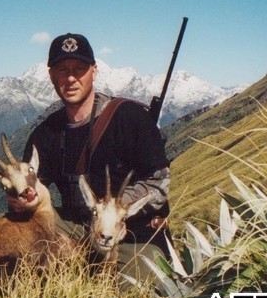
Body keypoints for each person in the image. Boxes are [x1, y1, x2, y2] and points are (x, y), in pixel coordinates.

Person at [22, 32, 171, 283]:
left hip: (132, 231)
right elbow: (33, 187)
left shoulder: (130, 118)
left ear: (94, 70)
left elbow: (159, 183)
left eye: (79, 69)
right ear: (50, 75)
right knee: (15, 234)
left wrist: (117, 207)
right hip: (78, 226)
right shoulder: (45, 134)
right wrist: (23, 198)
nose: (70, 78)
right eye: (62, 69)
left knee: (141, 290)